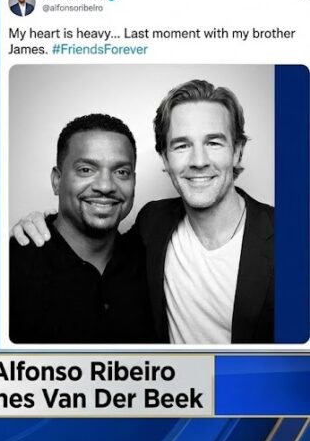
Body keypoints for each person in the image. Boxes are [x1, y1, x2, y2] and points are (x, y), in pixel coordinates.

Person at [14, 80, 273, 344]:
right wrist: (40, 224)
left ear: (237, 152)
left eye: (214, 143)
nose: (198, 161)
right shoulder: (153, 223)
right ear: (165, 159)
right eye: (182, 145)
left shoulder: (293, 240)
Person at [10, 114, 154, 343]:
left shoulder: (151, 260)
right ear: (57, 180)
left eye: (121, 172)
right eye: (86, 170)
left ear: (133, 182)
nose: (105, 186)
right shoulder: (8, 267)